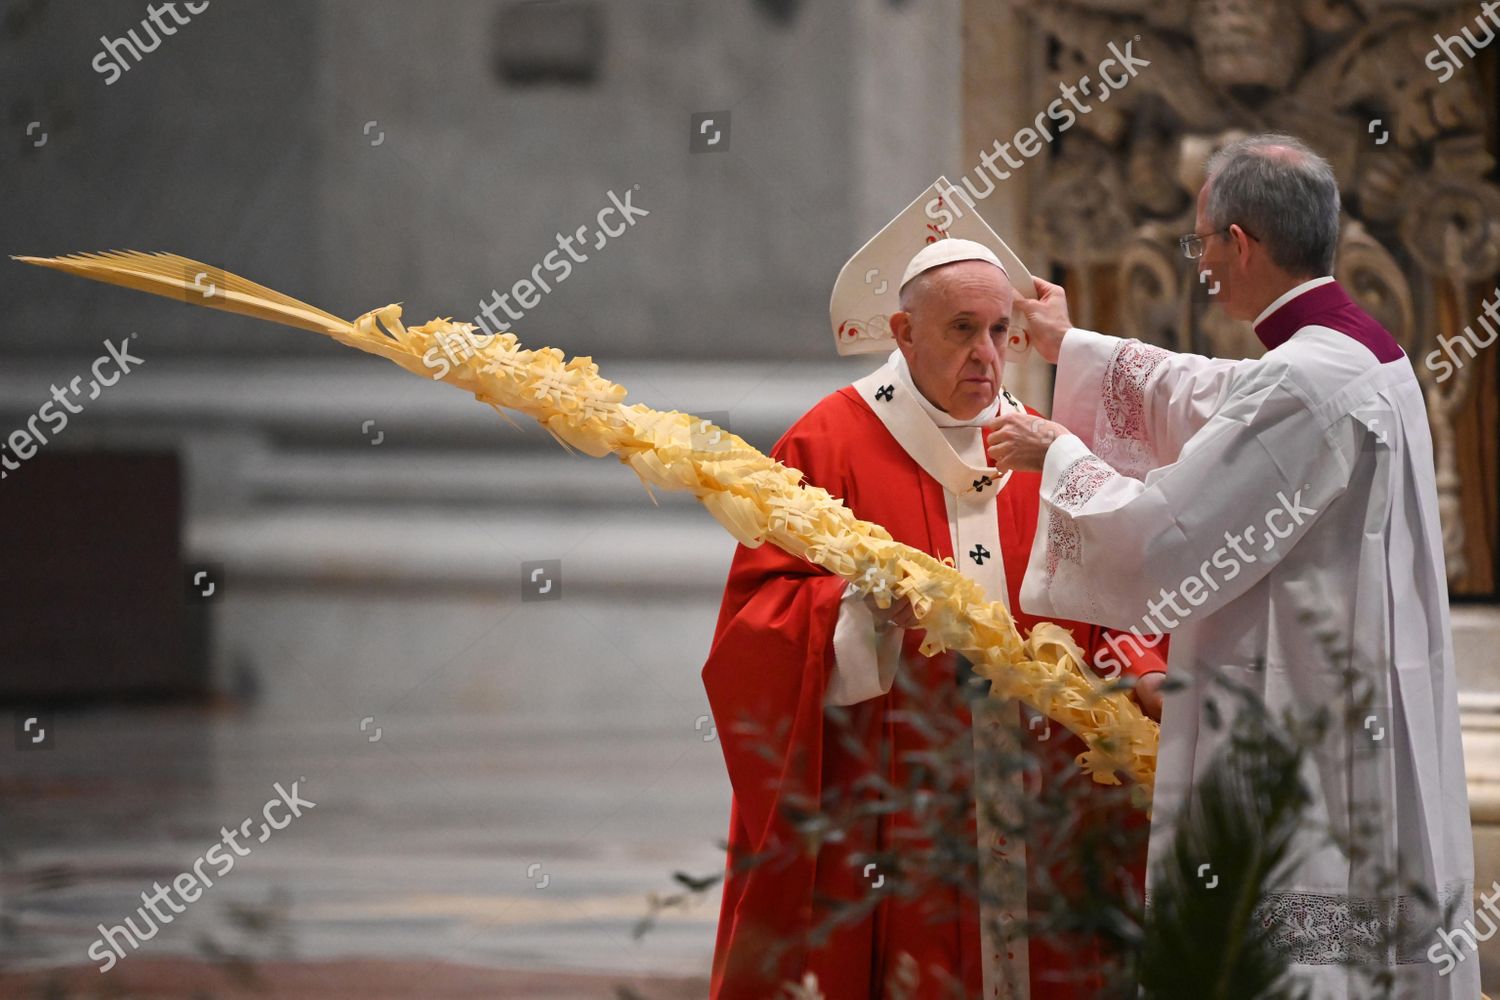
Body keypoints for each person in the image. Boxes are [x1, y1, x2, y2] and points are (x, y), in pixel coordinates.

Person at [988, 133, 1477, 998]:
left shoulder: (1307, 381)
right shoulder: (1361, 353)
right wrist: (1077, 347)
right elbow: (1218, 395)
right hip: (1349, 694)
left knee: (1291, 944)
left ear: (1240, 245)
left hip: (1293, 708)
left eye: (1201, 240)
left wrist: (1056, 453)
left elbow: (1165, 539)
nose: (1201, 259)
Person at [701, 182, 1167, 1000]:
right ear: (904, 333)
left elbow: (1115, 589)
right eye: (961, 331)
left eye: (1000, 331)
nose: (988, 355)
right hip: (902, 799)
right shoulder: (828, 443)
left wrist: (1140, 663)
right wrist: (855, 611)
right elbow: (753, 629)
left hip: (1038, 790)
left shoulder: (1044, 447)